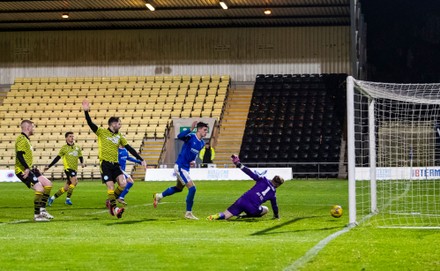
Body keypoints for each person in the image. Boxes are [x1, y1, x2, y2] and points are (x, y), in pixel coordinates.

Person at [82, 99, 146, 219]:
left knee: (123, 184)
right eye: (119, 123)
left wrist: (140, 159)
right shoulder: (101, 132)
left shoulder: (119, 136)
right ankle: (115, 208)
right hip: (105, 164)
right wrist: (86, 112)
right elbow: (90, 124)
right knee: (111, 187)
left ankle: (110, 202)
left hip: (115, 164)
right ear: (113, 124)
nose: (120, 125)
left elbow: (129, 147)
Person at [153, 121, 208, 220]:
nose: (206, 132)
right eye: (204, 130)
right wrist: (190, 129)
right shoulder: (191, 136)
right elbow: (179, 136)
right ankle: (188, 213)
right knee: (192, 188)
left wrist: (194, 161)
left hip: (186, 168)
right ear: (199, 129)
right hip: (180, 166)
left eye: (206, 131)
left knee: (178, 188)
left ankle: (159, 196)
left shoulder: (202, 143)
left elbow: (195, 154)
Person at [207, 154, 284, 220]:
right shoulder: (273, 193)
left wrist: (239, 164)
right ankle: (246, 216)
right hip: (252, 208)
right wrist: (276, 216)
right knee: (266, 209)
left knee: (226, 215)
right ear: (278, 185)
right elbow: (275, 206)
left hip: (242, 200)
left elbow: (250, 173)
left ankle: (214, 217)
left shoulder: (262, 179)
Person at [15, 120, 54, 222]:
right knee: (40, 189)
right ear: (28, 128)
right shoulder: (21, 139)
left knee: (48, 184)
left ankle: (42, 209)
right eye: (33, 127)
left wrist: (29, 168)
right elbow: (19, 155)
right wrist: (26, 168)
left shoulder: (26, 139)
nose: (34, 129)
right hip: (22, 170)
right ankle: (37, 215)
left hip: (30, 168)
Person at [44, 131, 85, 206]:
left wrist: (82, 162)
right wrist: (49, 166)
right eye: (70, 136)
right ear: (66, 138)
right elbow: (57, 158)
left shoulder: (77, 147)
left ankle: (52, 198)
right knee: (74, 182)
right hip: (68, 168)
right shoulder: (64, 148)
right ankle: (67, 199)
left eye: (72, 136)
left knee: (66, 188)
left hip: (74, 169)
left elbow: (80, 156)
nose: (72, 137)